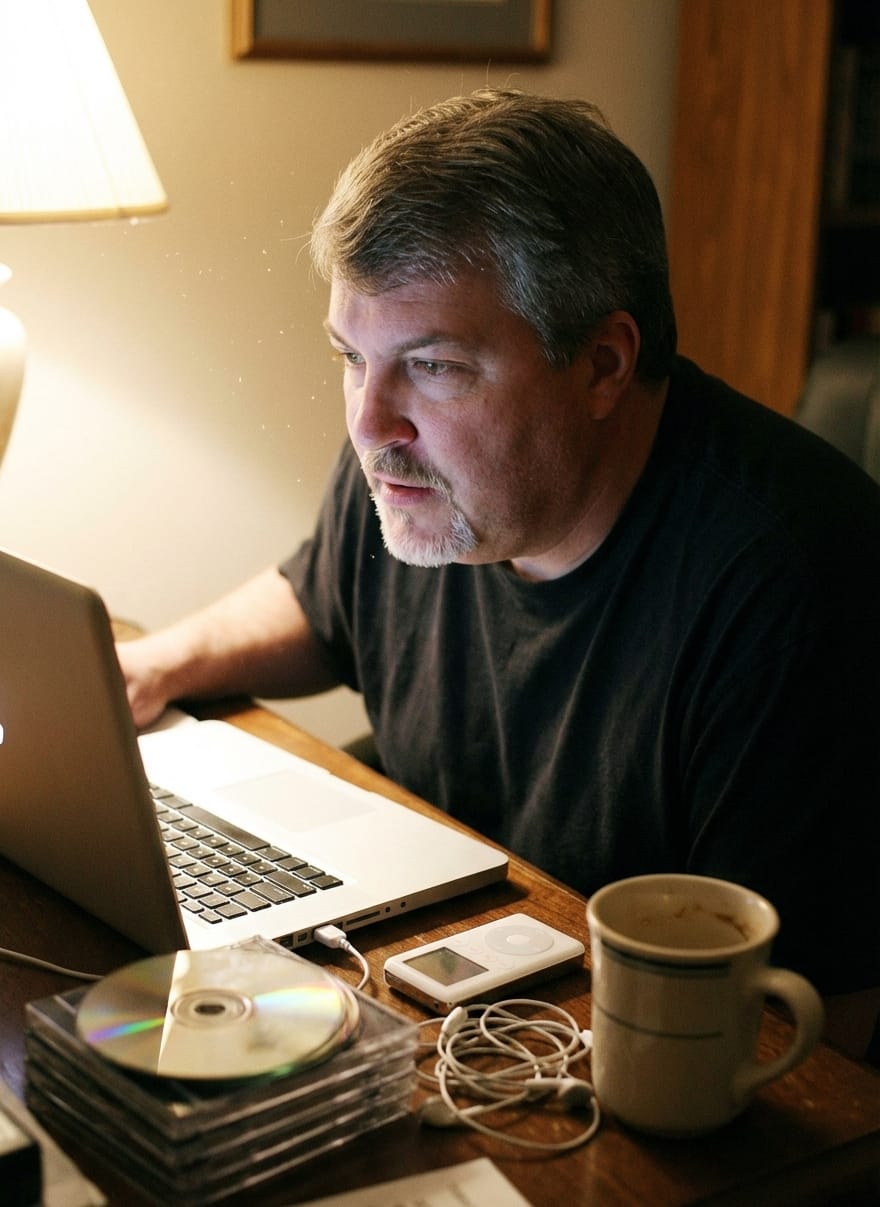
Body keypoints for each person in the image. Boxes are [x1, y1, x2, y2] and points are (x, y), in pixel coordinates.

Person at [117, 90, 880, 1060]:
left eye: (434, 366)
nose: (370, 423)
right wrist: (156, 664)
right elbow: (320, 601)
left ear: (602, 364)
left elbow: (816, 1048)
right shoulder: (421, 473)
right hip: (451, 1000)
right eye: (352, 356)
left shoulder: (797, 591)